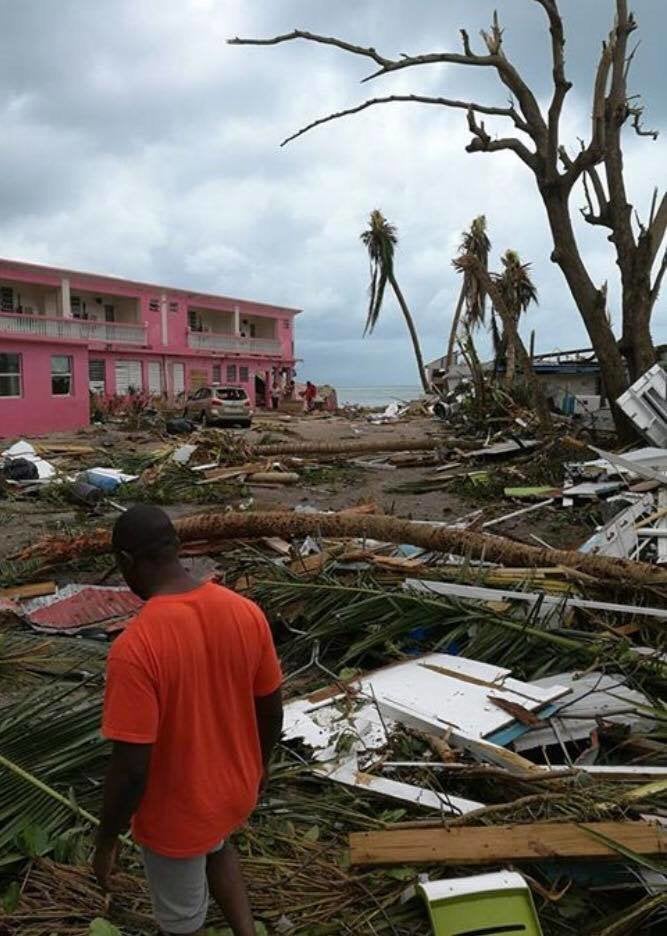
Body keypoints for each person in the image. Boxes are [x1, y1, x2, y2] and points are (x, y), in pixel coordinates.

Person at [93, 505, 283, 936]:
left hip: (177, 814)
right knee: (217, 844)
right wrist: (260, 763)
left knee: (179, 924)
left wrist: (106, 841)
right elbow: (271, 707)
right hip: (231, 790)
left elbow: (132, 769)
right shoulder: (244, 611)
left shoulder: (136, 648)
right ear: (178, 548)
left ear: (126, 563)